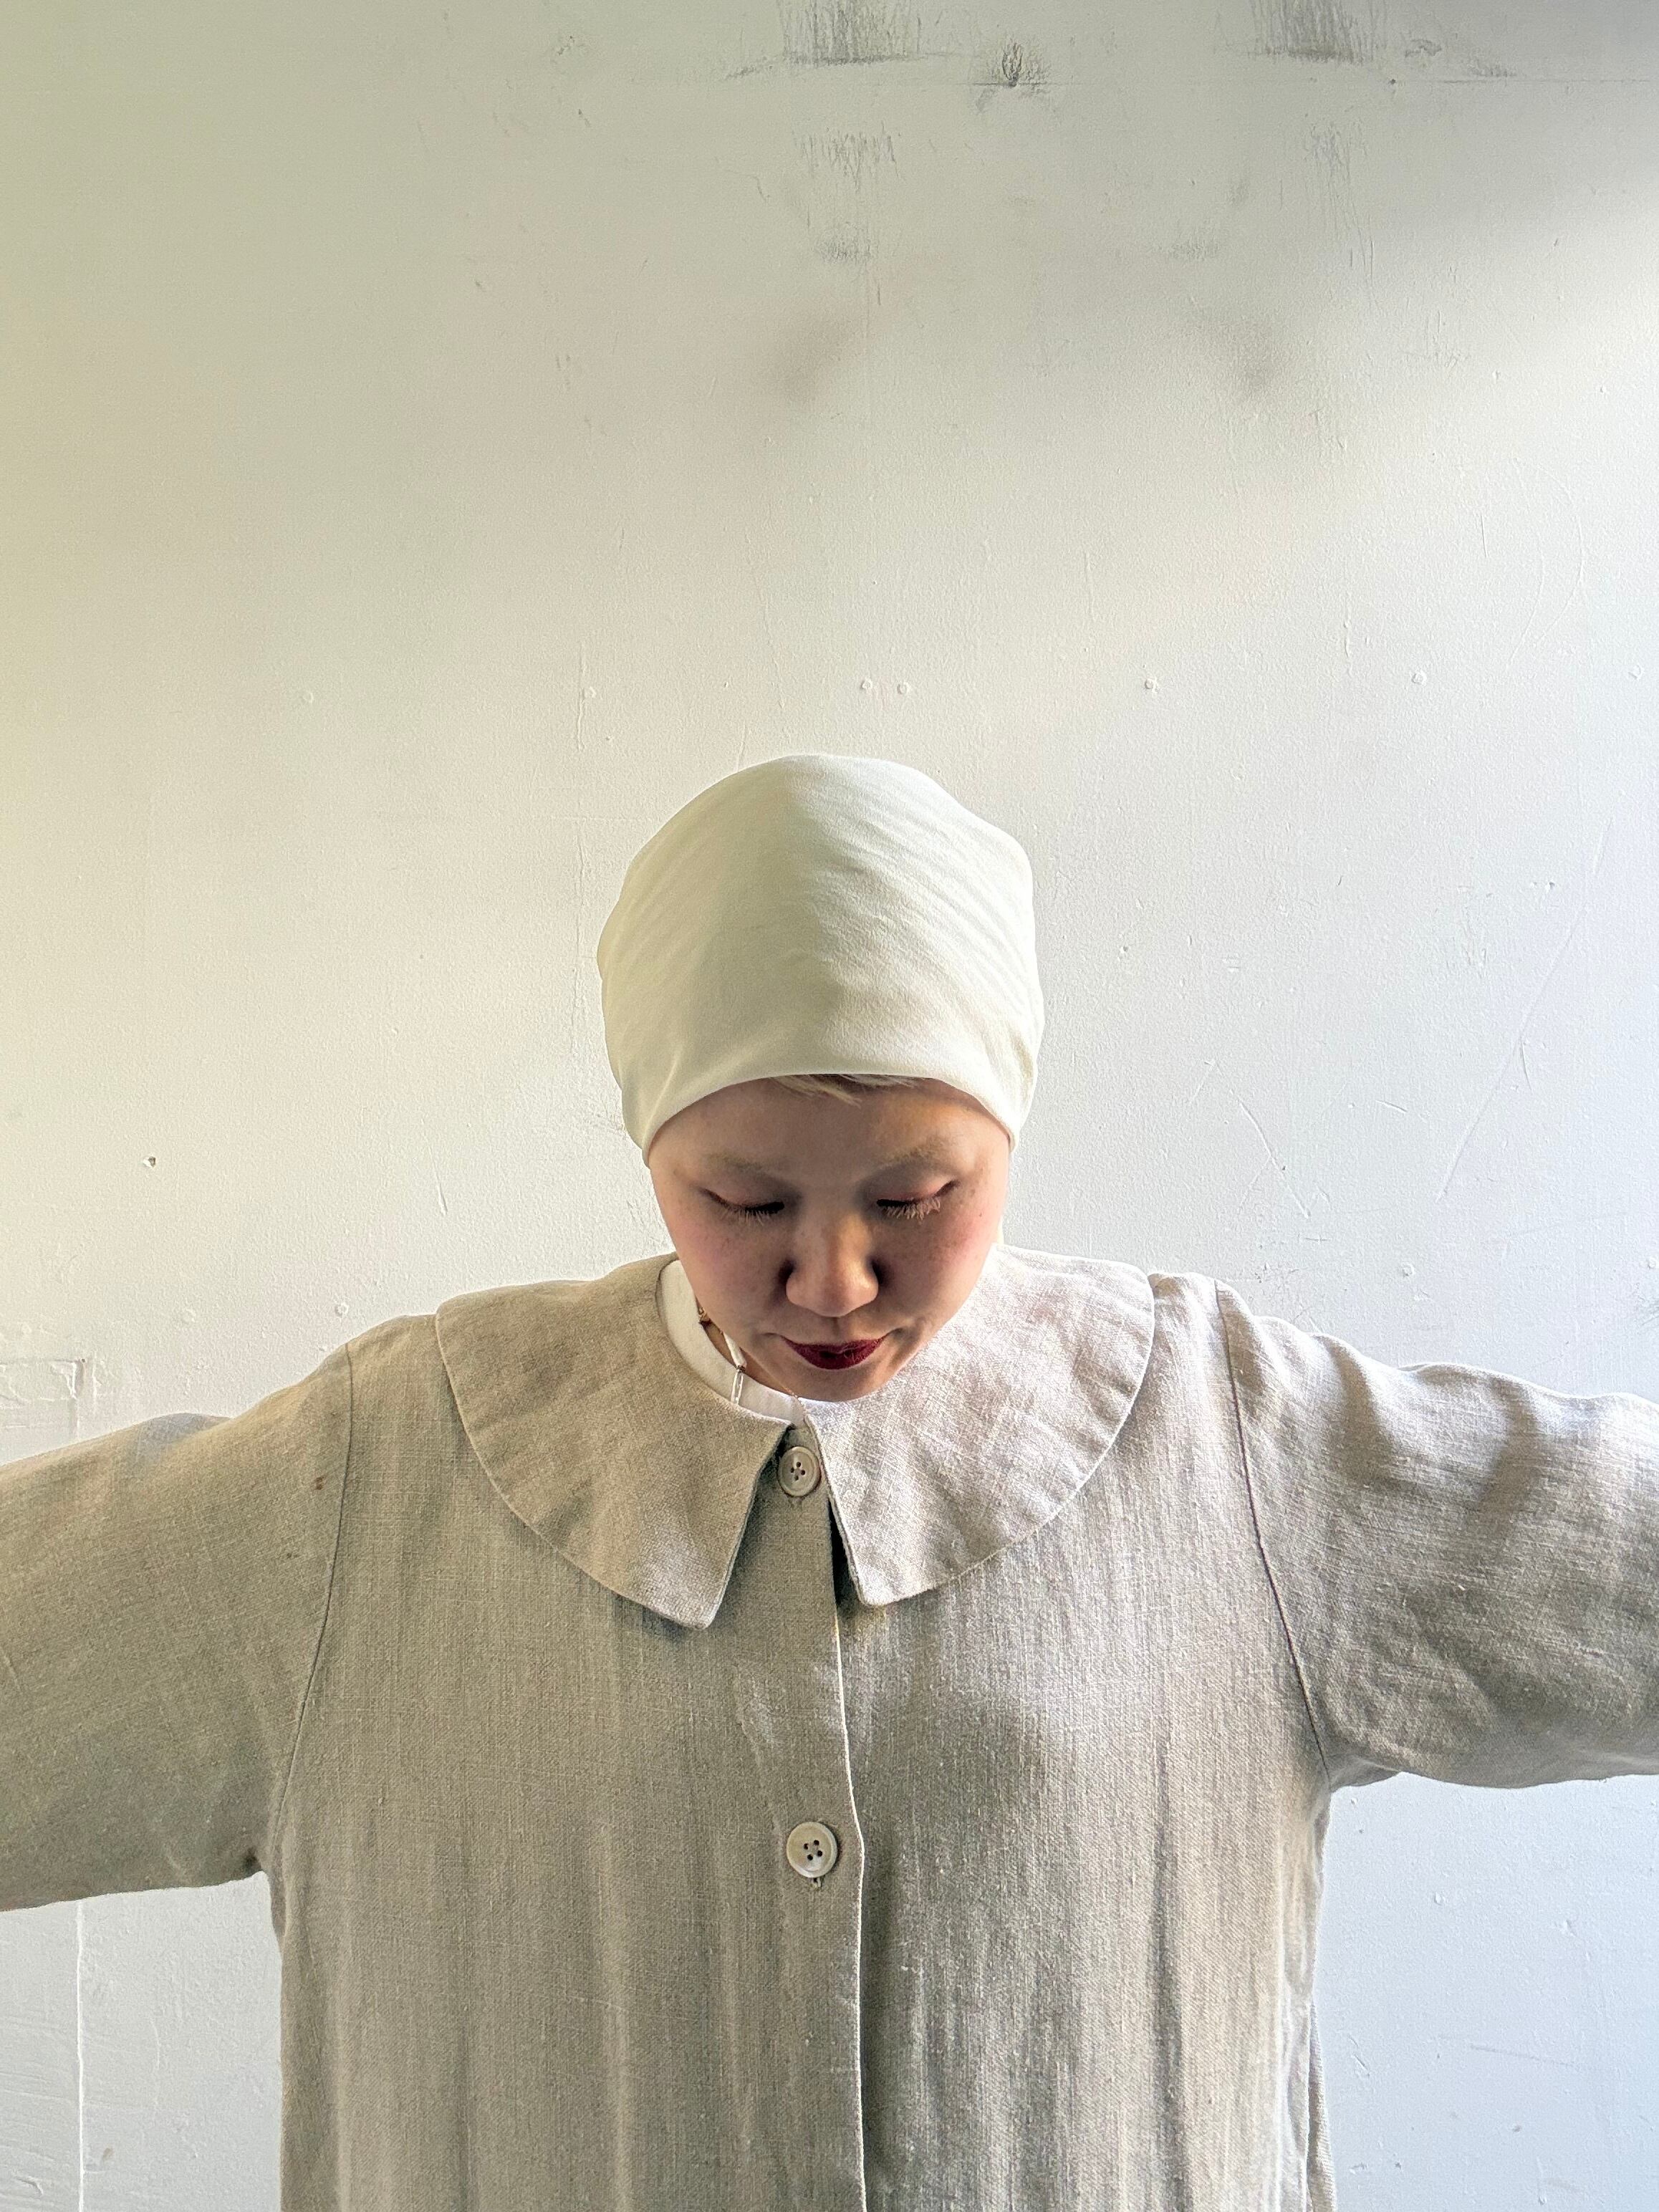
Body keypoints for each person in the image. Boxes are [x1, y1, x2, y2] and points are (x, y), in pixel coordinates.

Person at [3, 751, 1658, 2212]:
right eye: (744, 1200)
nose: (835, 1277)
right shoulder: (387, 1480)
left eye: (915, 1194)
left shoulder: (1218, 1444)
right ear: (649, 1140)